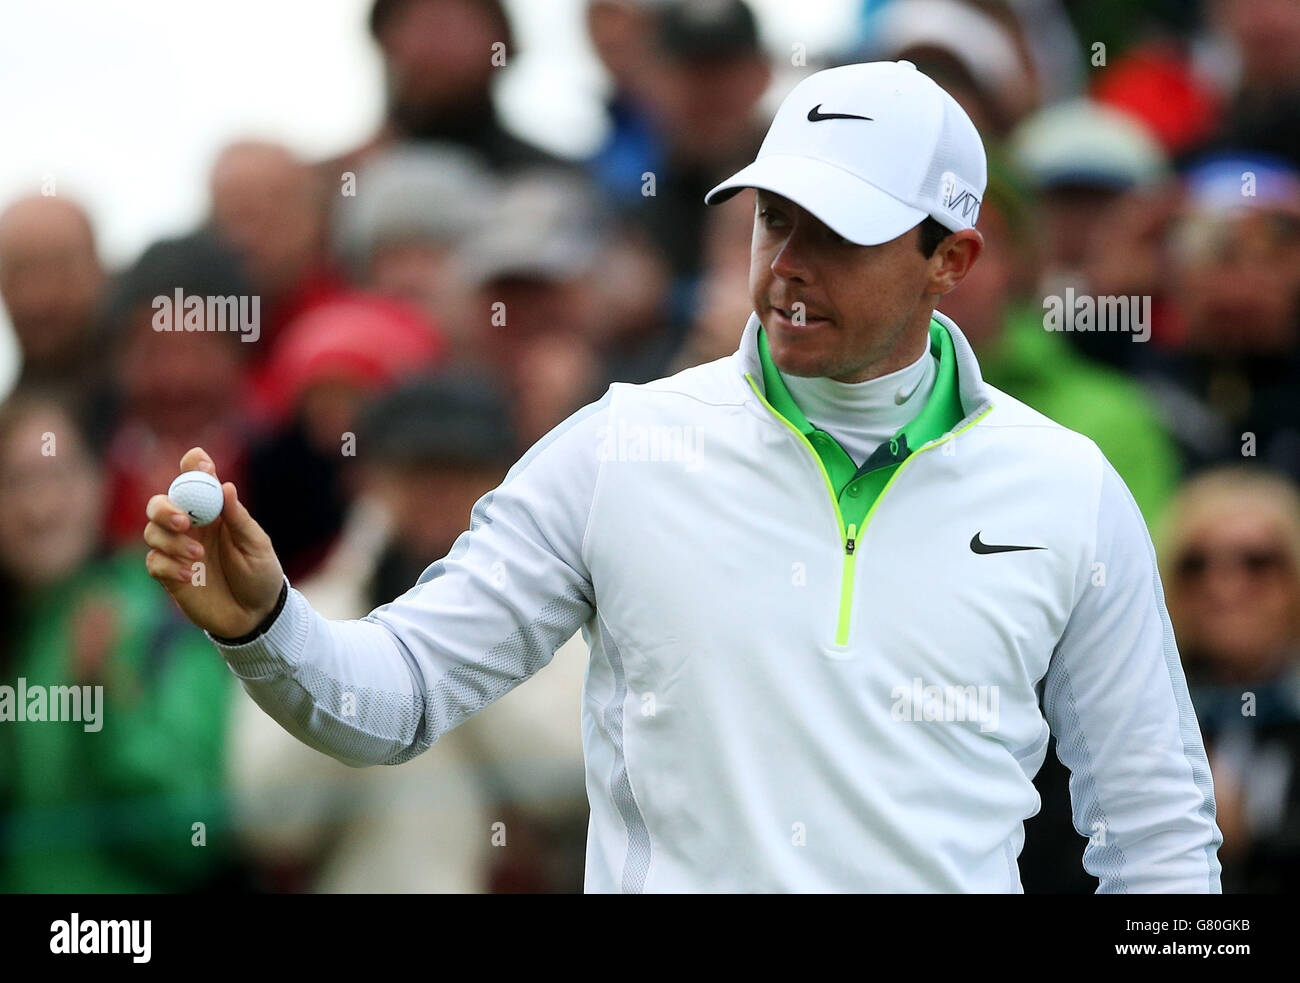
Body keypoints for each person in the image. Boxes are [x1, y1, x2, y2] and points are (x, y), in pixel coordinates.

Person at [142, 61, 1222, 893]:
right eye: (772, 217)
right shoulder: (616, 449)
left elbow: (1156, 829)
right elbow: (401, 694)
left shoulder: (1066, 487)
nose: (786, 262)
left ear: (952, 260)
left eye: (837, 232)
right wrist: (267, 626)